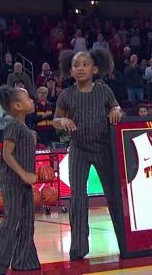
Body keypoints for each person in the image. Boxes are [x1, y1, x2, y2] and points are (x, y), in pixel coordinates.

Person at [53, 48, 123, 260]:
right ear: (70, 70)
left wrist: (116, 111)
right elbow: (56, 120)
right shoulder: (66, 94)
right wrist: (62, 121)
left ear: (95, 69)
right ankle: (78, 249)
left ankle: (126, 241)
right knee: (77, 198)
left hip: (103, 147)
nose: (80, 68)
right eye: (76, 65)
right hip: (78, 149)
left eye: (85, 64)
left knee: (114, 195)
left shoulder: (104, 90)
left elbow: (117, 107)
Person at [0, 85, 40, 274]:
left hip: (22, 183)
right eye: (27, 98)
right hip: (12, 181)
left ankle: (24, 260)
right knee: (12, 220)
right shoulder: (13, 125)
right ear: (17, 105)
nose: (32, 100)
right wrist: (23, 173)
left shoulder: (23, 128)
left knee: (26, 221)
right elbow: (6, 154)